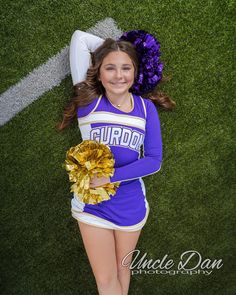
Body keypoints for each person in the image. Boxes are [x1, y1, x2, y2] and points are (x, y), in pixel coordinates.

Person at [57, 29, 175, 295]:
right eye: (110, 68)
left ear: (135, 73)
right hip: (92, 205)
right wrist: (116, 47)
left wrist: (109, 177)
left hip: (131, 206)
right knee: (107, 282)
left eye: (126, 68)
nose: (119, 75)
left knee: (123, 272)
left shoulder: (146, 109)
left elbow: (154, 161)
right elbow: (78, 38)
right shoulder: (88, 100)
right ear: (98, 72)